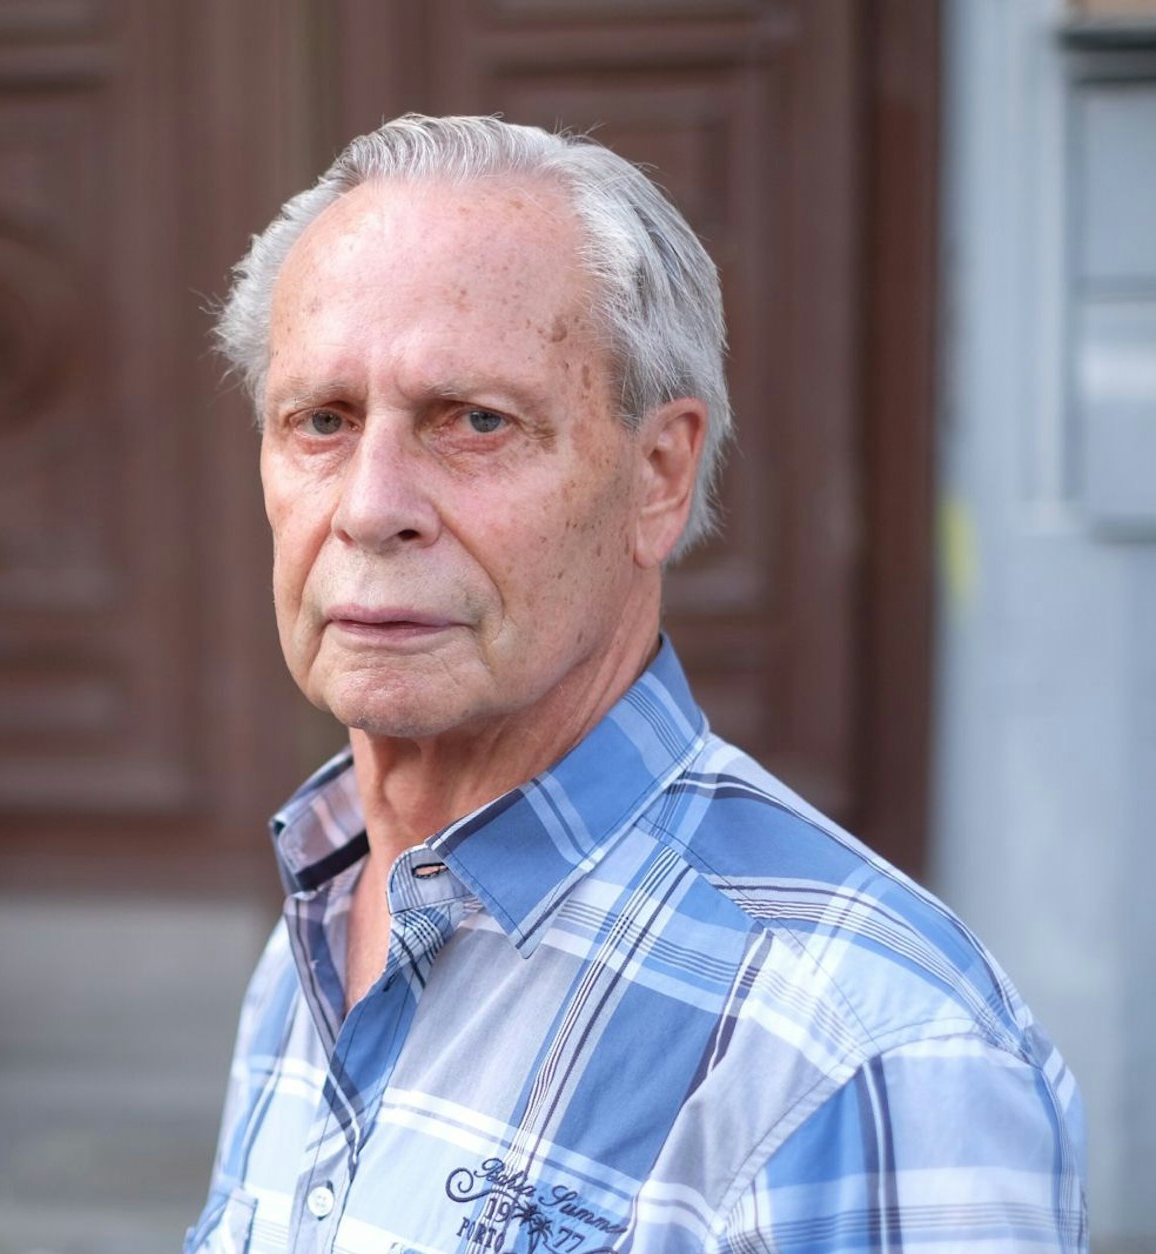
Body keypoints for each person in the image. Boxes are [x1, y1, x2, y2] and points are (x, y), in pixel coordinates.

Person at [186, 115, 1086, 1254]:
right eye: (320, 421)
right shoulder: (325, 912)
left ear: (659, 476)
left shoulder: (865, 1049)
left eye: (474, 422)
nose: (370, 508)